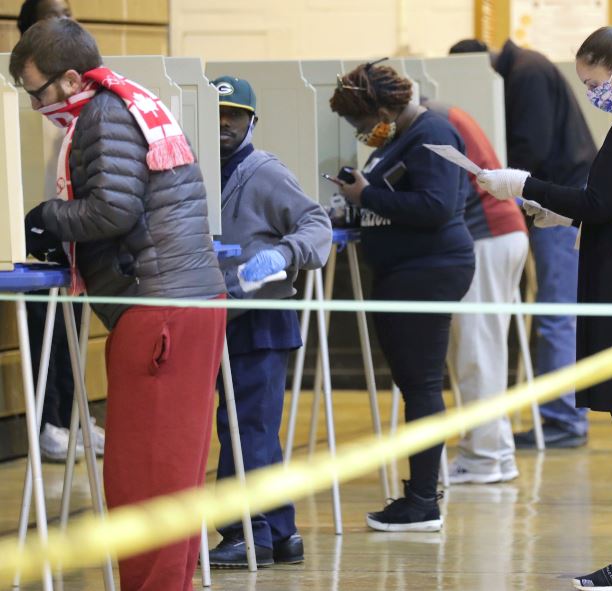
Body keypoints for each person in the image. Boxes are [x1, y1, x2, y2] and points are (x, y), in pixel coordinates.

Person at [477, 22, 612, 591]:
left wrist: (524, 184)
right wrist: (564, 213)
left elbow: (602, 200)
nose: (592, 93)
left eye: (592, 81)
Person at [12, 19, 226, 591]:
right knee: (173, 474)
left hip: (159, 309)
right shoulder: (127, 101)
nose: (35, 104)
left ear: (73, 77)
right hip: (184, 300)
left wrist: (42, 217)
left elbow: (113, 210)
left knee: (144, 479)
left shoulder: (103, 117)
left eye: (38, 91)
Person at [330, 61, 474, 531]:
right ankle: (419, 496)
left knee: (422, 387)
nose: (364, 131)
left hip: (428, 270)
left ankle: (421, 502)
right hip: (407, 270)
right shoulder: (401, 137)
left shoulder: (433, 133)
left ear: (386, 107)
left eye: (364, 121)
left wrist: (365, 197)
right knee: (416, 385)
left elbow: (436, 206)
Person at [206, 75, 331, 567]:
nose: (223, 123)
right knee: (254, 430)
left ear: (252, 120)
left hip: (260, 317)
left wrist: (281, 256)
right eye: (216, 113)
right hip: (226, 312)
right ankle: (280, 532)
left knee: (243, 430)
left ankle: (244, 533)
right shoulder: (204, 170)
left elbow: (316, 225)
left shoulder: (262, 171)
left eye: (233, 114)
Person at [450, 37, 596, 448]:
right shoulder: (524, 68)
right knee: (556, 310)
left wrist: (492, 185)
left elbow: (528, 150)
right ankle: (562, 416)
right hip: (562, 193)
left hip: (564, 199)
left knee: (556, 311)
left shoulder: (526, 74)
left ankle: (564, 421)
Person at [423, 97, 529, 484]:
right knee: (485, 351)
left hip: (486, 237)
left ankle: (483, 458)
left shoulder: (431, 124)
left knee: (476, 354)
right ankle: (494, 453)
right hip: (503, 234)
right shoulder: (448, 111)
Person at [17, 0, 98, 464]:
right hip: (29, 226)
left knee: (70, 328)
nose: (66, 21)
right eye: (55, 14)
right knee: (38, 327)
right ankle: (47, 420)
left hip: (66, 218)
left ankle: (70, 417)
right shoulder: (23, 86)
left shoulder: (74, 79)